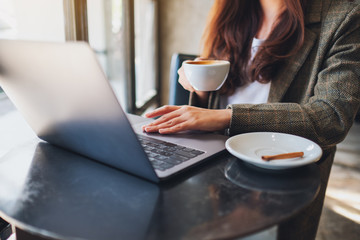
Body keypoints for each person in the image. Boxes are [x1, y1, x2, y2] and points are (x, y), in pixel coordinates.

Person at [143, 0, 360, 239]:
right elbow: (215, 102)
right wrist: (202, 89)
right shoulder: (231, 10)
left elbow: (331, 117)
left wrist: (227, 117)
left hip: (275, 186)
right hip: (212, 178)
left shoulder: (345, 15)